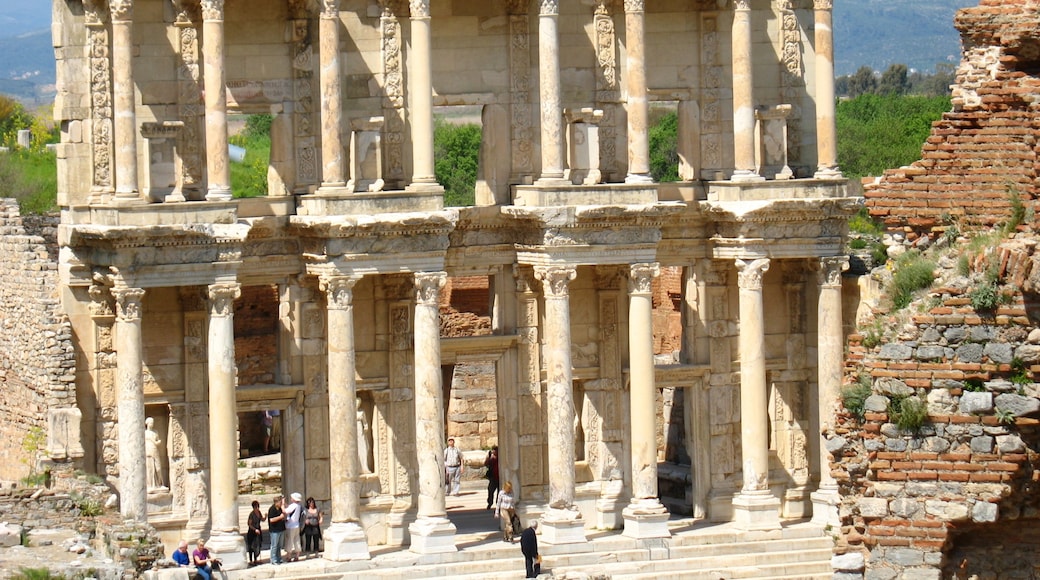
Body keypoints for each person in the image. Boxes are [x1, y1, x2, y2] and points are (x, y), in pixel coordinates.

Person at [145, 417, 165, 491]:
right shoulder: (144, 433)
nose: (152, 424)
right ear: (147, 423)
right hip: (148, 450)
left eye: (153, 423)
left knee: (158, 468)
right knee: (149, 467)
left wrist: (158, 442)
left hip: (155, 450)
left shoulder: (155, 432)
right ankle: (150, 485)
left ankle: (160, 483)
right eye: (151, 423)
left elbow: (157, 441)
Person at [284, 492, 303, 562]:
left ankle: (289, 556)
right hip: (296, 525)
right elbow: (289, 507)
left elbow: (285, 511)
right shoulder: (298, 505)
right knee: (297, 540)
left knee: (290, 541)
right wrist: (285, 504)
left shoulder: (293, 505)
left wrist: (282, 505)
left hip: (291, 525)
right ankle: (297, 556)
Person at [246, 500, 265, 566]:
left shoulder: (259, 512)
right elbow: (249, 524)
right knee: (252, 546)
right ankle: (251, 560)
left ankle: (256, 559)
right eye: (255, 507)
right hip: (252, 532)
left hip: (258, 530)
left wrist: (265, 517)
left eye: (257, 507)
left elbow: (262, 519)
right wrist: (255, 529)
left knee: (257, 545)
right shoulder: (251, 514)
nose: (257, 508)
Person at [268, 495, 286, 565]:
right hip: (274, 530)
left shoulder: (281, 508)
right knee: (274, 545)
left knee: (279, 545)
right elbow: (271, 520)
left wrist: (284, 504)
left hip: (281, 529)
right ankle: (273, 559)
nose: (281, 503)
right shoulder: (272, 509)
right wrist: (280, 517)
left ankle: (279, 558)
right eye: (280, 502)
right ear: (276, 502)